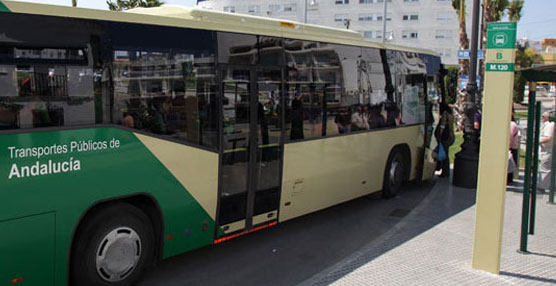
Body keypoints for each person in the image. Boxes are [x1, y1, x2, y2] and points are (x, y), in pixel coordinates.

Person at [436, 102, 455, 177]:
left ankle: (445, 172)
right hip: (450, 136)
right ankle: (445, 171)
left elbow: (442, 126)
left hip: (445, 137)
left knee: (444, 155)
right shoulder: (451, 114)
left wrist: (439, 135)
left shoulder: (444, 114)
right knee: (446, 154)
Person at [538, 111, 554, 191]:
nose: (542, 118)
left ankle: (542, 186)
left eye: (543, 116)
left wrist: (537, 141)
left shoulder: (549, 125)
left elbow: (548, 137)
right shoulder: (548, 125)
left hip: (547, 150)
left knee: (545, 169)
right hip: (546, 150)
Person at [508, 115, 520, 183]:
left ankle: (509, 180)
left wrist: (508, 146)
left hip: (511, 147)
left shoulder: (511, 124)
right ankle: (510, 179)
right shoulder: (514, 124)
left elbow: (510, 135)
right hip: (514, 146)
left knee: (510, 165)